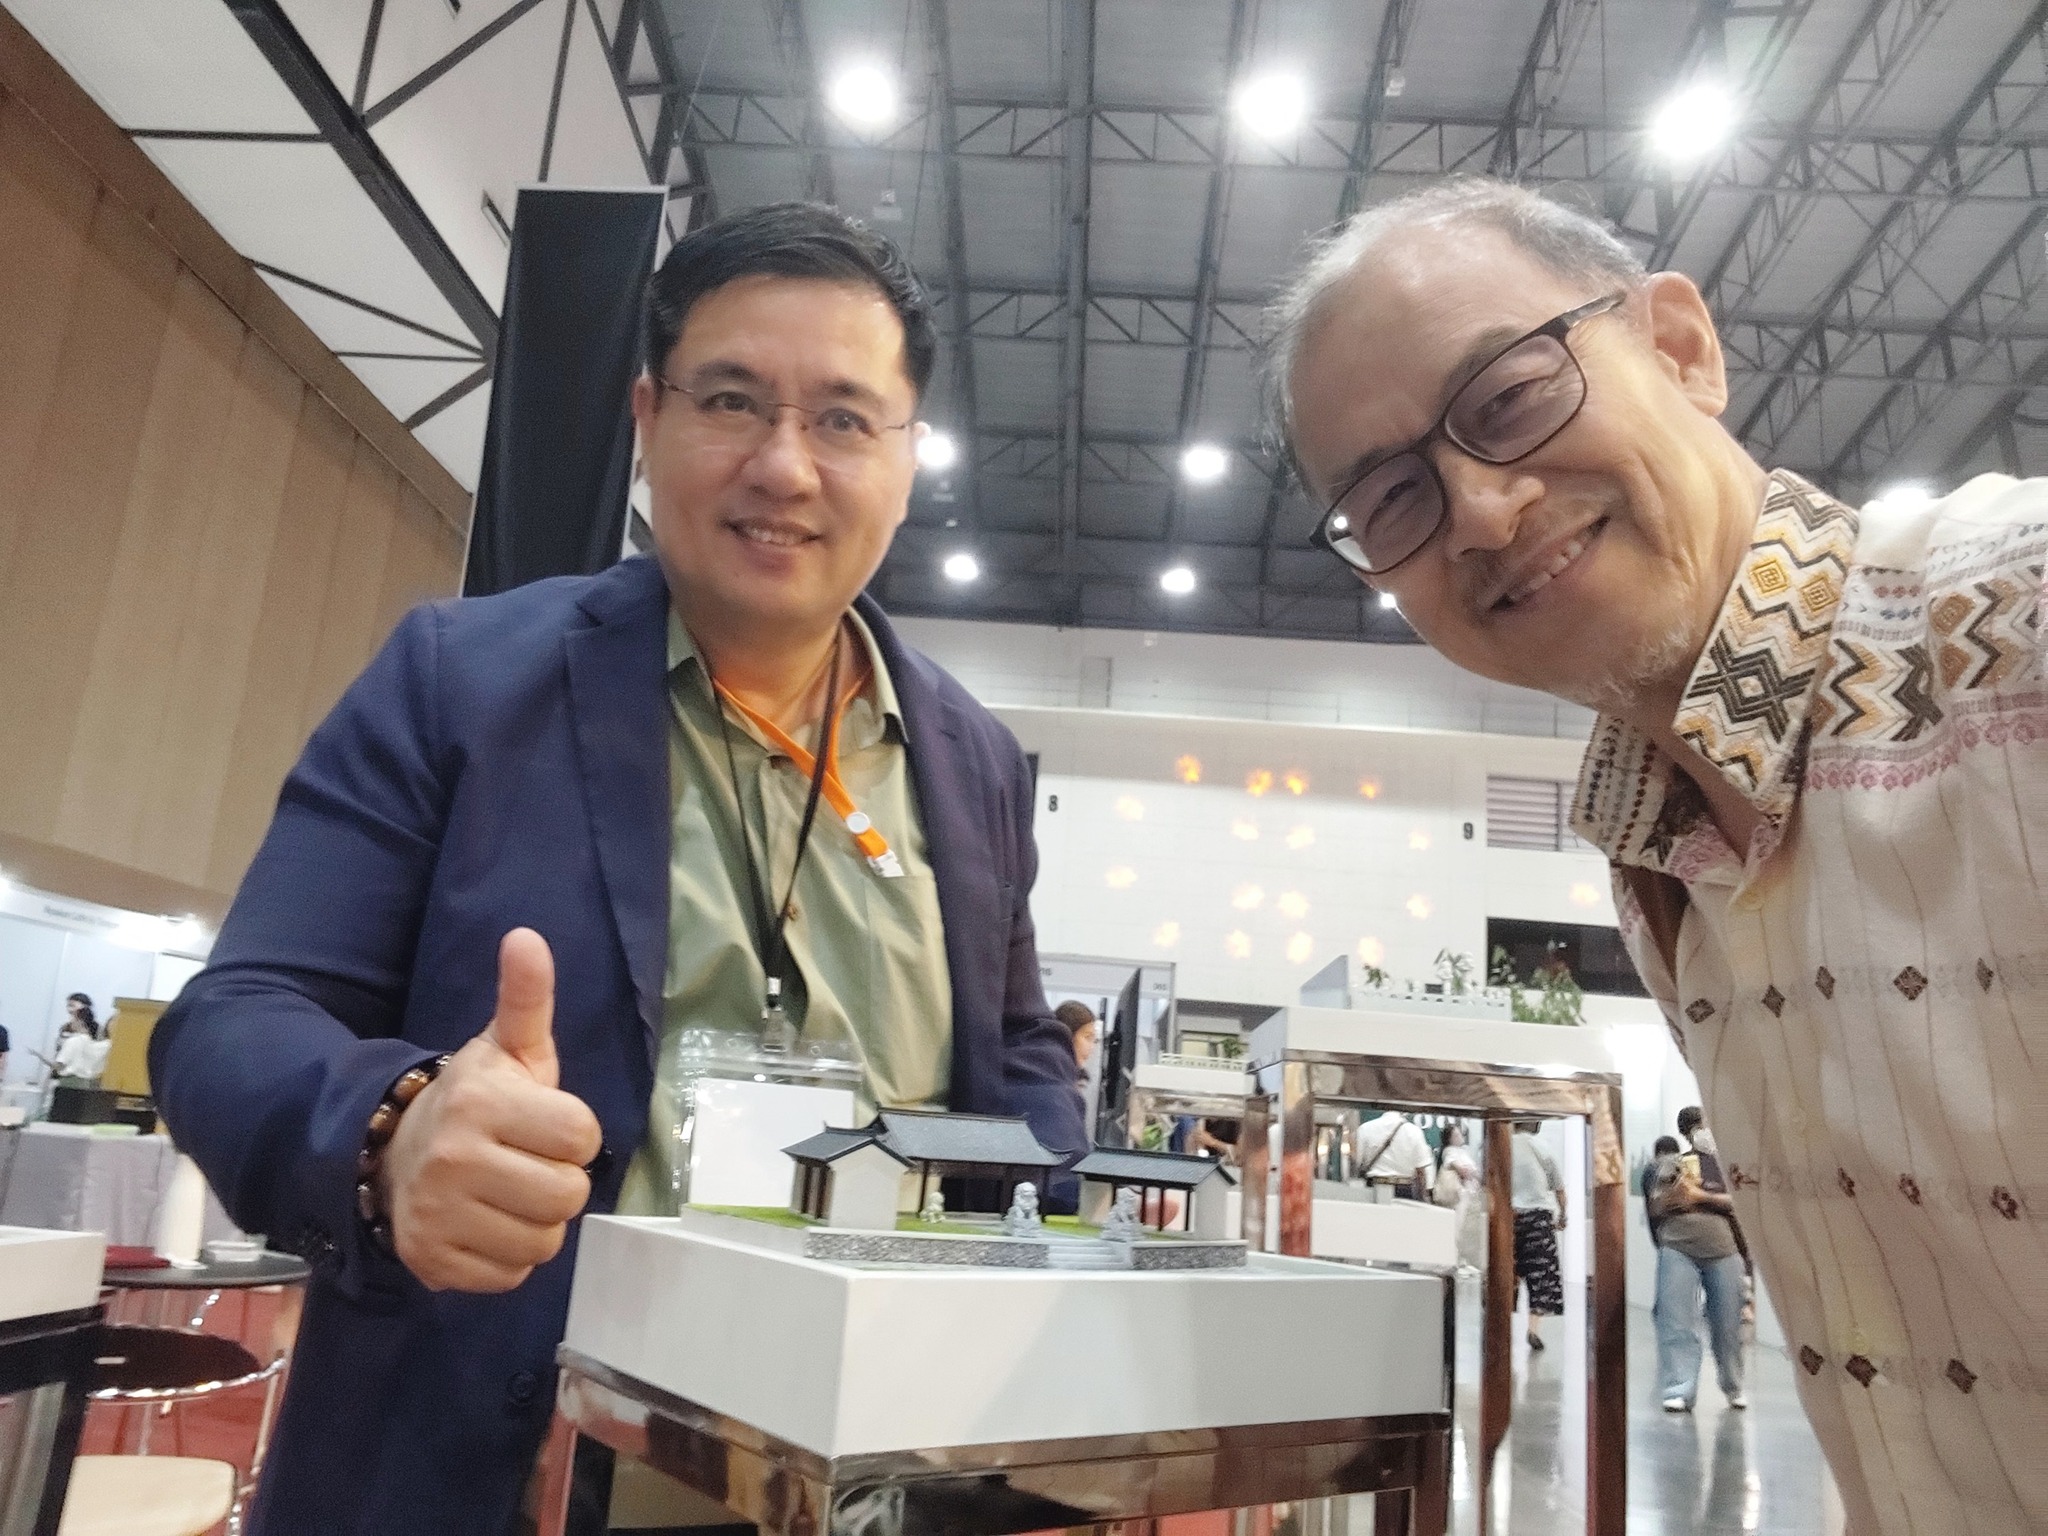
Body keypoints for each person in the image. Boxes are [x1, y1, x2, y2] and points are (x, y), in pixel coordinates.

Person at [149, 202, 1086, 1536]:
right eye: (731, 400)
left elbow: (1020, 1051)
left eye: (842, 418)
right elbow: (231, 1021)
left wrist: (1038, 1201)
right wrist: (392, 1128)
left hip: (873, 1468)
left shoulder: (973, 760)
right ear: (646, 418)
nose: (784, 466)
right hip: (503, 1465)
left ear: (907, 453)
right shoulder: (459, 682)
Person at [1268, 172, 2048, 1531]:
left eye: (1508, 397)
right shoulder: (1656, 858)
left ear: (1681, 349)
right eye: (1393, 499)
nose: (1481, 512)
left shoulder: (2012, 619)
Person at [1645, 1132, 1746, 1413]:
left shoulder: (1729, 1165)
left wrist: (1701, 1196)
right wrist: (1680, 1195)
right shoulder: (1670, 1165)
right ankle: (1679, 1388)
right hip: (1677, 1246)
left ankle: (1734, 1385)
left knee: (1728, 1323)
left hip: (1723, 1249)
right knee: (1676, 1321)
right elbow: (1657, 1205)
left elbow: (1742, 1203)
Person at [1509, 1120, 1567, 1348]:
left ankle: (1504, 1326)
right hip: (1538, 1218)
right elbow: (1560, 1190)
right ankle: (1533, 1329)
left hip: (1510, 1217)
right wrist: (1563, 1215)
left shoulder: (1502, 1144)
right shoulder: (1541, 1147)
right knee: (1541, 1276)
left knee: (1508, 1274)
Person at [1433, 1121, 1484, 1271]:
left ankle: (1463, 1259)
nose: (1460, 1136)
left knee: (1468, 1228)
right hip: (1459, 1196)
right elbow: (1463, 1170)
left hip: (1470, 1195)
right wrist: (1471, 1172)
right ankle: (1453, 1259)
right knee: (1458, 1227)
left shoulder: (1463, 1151)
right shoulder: (1449, 1152)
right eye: (1456, 1134)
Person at [1355, 1107, 1432, 1198]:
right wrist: (1423, 1196)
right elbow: (1421, 1170)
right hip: (1403, 1188)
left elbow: (1357, 1161)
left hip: (1373, 1187)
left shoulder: (1365, 1128)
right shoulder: (1414, 1131)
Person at [1054, 999, 1098, 1077]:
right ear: (1067, 1036)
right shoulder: (1048, 1078)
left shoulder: (1072, 1077)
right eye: (1088, 1037)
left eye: (1093, 1040)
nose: (1092, 1047)